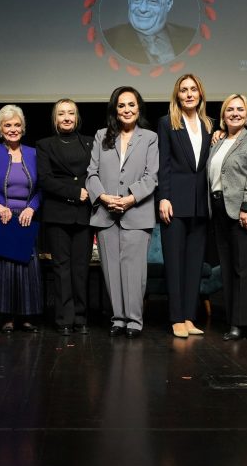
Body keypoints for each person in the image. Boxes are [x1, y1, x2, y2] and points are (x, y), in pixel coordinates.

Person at [86, 86, 159, 338]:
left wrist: (129, 198)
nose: (126, 109)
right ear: (114, 110)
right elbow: (91, 173)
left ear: (139, 108)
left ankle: (135, 321)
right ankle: (118, 319)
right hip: (106, 214)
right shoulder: (101, 136)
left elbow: (152, 177)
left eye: (131, 105)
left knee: (134, 271)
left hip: (136, 213)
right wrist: (104, 197)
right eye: (121, 105)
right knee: (111, 270)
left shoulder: (149, 137)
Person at [0, 105, 43, 333]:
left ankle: (24, 316)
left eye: (16, 125)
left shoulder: (34, 153)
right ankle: (6, 317)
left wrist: (31, 208)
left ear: (23, 128)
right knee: (3, 271)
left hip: (25, 220)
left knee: (25, 270)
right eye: (7, 125)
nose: (12, 129)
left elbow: (42, 189)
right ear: (0, 128)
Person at [207, 94, 247, 340]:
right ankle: (235, 320)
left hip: (244, 211)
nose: (235, 113)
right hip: (220, 209)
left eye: (240, 109)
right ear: (223, 115)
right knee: (229, 268)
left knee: (244, 269)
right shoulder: (218, 142)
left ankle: (243, 324)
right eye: (229, 109)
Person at [157, 74, 213, 338]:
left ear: (200, 94)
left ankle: (190, 317)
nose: (189, 94)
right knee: (175, 264)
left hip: (201, 204)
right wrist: (164, 197)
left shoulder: (210, 125)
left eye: (193, 89)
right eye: (183, 90)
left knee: (194, 264)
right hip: (175, 203)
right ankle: (176, 318)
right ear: (177, 95)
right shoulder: (167, 123)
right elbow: (163, 164)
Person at [37, 99, 94, 336]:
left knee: (81, 268)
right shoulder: (44, 145)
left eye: (71, 113)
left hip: (84, 215)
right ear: (55, 118)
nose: (67, 117)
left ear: (77, 117)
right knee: (61, 268)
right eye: (62, 114)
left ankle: (80, 317)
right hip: (57, 214)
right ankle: (64, 319)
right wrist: (75, 192)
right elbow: (45, 179)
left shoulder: (91, 142)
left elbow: (97, 172)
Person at [103, 0, 197, 65]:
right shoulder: (107, 40)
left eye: (153, 1)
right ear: (129, 0)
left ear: (168, 4)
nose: (143, 9)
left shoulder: (191, 37)